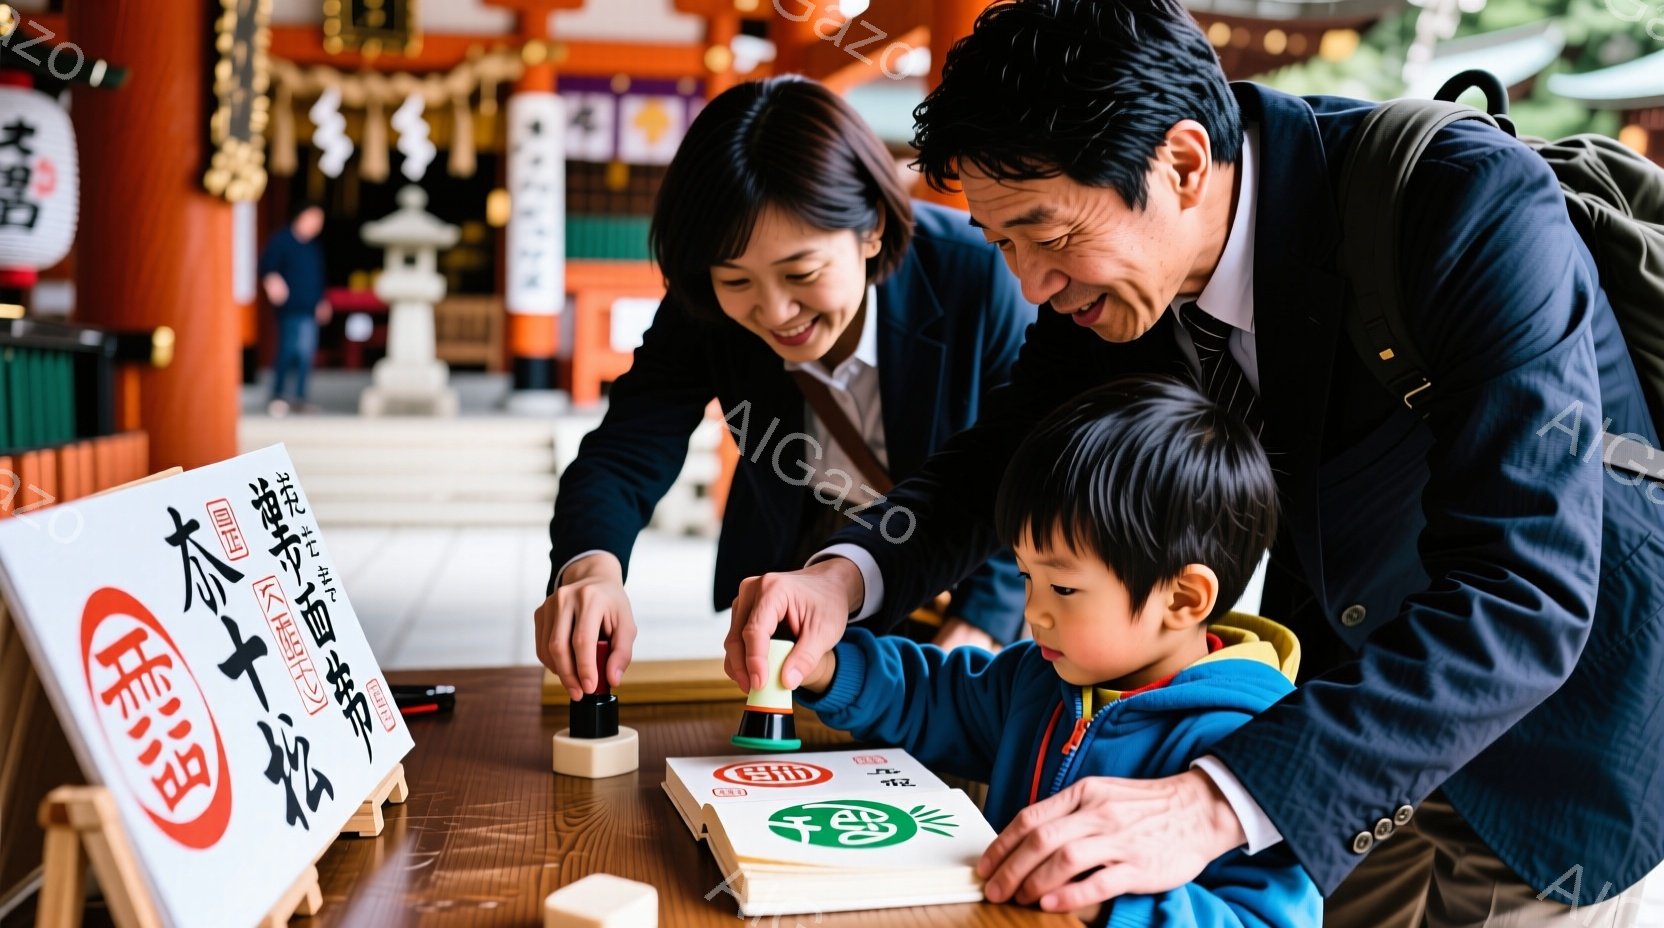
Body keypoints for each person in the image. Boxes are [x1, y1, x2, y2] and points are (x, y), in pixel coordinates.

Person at [725, 1, 1664, 924]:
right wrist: (844, 580)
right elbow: (1001, 454)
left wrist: (1211, 801)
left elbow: (1523, 588)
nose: (1032, 286)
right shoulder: (1121, 274)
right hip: (1329, 726)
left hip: (1551, 751)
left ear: (1180, 163)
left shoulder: (1458, 204)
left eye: (1047, 237)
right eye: (1002, 243)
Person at [537, 76, 1033, 701]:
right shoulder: (704, 308)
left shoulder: (978, 276)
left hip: (959, 560)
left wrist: (984, 618)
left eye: (802, 273)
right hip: (803, 551)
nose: (774, 312)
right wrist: (591, 567)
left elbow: (1011, 464)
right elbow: (629, 443)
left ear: (871, 228)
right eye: (737, 280)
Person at [795, 378, 1320, 927]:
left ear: (1183, 598)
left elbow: (1265, 920)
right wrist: (830, 668)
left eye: (1063, 589)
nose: (1034, 612)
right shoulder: (1038, 678)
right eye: (1026, 577)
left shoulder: (1254, 748)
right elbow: (935, 697)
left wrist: (1112, 903)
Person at [259, 203, 330, 416]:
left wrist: (322, 301)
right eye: (313, 218)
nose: (316, 224)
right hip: (289, 308)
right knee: (288, 351)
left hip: (309, 308)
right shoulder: (282, 241)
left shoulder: (313, 248)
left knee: (305, 354)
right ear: (301, 217)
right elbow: (267, 266)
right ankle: (278, 395)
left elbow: (318, 278)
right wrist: (272, 280)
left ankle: (300, 398)